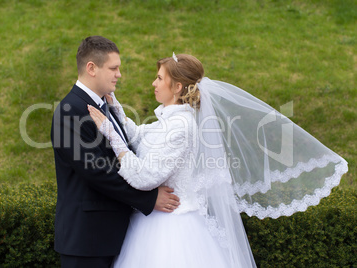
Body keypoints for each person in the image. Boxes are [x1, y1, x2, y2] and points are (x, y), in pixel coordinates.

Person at [88, 53, 348, 267]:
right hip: (157, 220)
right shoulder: (170, 119)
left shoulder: (180, 127)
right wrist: (116, 110)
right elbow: (142, 137)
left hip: (172, 229)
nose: (153, 84)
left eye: (159, 78)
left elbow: (145, 178)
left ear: (177, 87)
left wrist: (111, 135)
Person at [50, 36, 180, 268]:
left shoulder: (103, 104)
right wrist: (148, 199)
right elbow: (97, 172)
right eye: (113, 68)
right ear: (91, 68)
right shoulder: (71, 110)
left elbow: (127, 149)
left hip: (110, 235)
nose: (119, 74)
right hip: (87, 240)